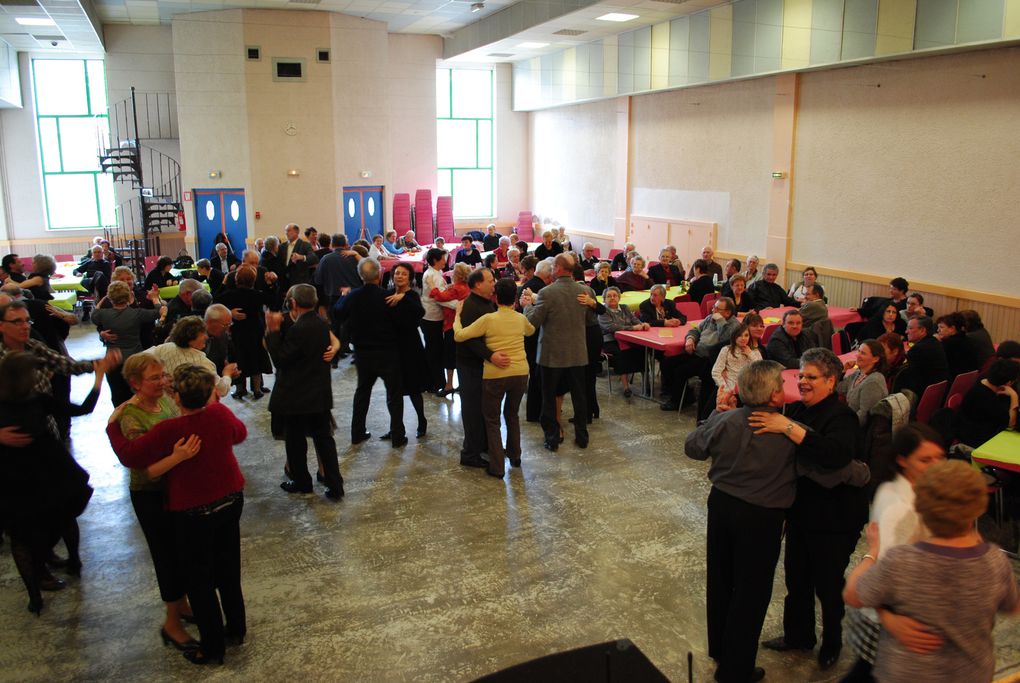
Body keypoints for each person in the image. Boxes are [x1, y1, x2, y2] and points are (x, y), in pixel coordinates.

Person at [107, 365, 247, 666]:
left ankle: (212, 649)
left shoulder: (169, 430)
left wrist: (111, 427)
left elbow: (130, 456)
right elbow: (240, 433)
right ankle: (236, 630)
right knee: (228, 570)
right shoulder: (220, 415)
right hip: (231, 499)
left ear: (176, 397)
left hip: (194, 511)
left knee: (200, 580)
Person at [843, 460, 1020, 683]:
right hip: (971, 674)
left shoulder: (903, 560)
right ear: (980, 506)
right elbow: (1013, 606)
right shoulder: (995, 561)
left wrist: (873, 552)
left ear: (921, 507)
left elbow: (853, 594)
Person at [685, 361, 797, 683]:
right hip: (762, 517)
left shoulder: (726, 421)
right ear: (775, 396)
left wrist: (717, 416)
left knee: (721, 579)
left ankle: (722, 649)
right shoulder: (789, 430)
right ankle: (736, 669)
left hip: (722, 507)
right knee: (751, 592)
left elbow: (693, 447)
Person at [756, 348, 867, 672]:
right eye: (801, 375)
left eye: (811, 377)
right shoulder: (800, 410)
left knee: (828, 584)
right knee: (797, 578)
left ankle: (832, 642)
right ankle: (798, 635)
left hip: (836, 517)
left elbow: (834, 455)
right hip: (803, 512)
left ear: (831, 381)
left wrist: (787, 427)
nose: (802, 381)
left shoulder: (840, 416)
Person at [0, 351, 104, 615]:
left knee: (20, 537)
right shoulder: (37, 400)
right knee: (63, 515)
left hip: (13, 477)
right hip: (49, 472)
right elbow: (83, 409)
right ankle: (72, 561)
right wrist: (99, 379)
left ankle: (35, 596)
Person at [841, 423, 946, 682]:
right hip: (891, 618)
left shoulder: (914, 490)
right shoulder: (899, 508)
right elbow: (885, 572)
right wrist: (889, 617)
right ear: (902, 460)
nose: (935, 465)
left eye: (939, 458)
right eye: (925, 460)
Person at [109, 352, 197, 651]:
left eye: (163, 376)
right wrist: (178, 456)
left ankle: (182, 606)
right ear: (135, 384)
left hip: (174, 487)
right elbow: (143, 466)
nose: (163, 382)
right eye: (155, 378)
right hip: (150, 494)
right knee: (166, 557)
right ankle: (171, 624)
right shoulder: (130, 416)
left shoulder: (164, 401)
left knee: (181, 551)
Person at [266, 284, 345, 498]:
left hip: (295, 395)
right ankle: (335, 485)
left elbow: (281, 360)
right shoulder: (321, 323)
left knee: (295, 441)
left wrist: (272, 332)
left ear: (293, 302)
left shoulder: (299, 328)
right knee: (324, 439)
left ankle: (302, 482)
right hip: (319, 392)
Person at [453, 278, 535, 477]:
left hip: (496, 375)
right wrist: (528, 307)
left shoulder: (489, 318)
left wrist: (457, 316)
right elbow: (531, 331)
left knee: (492, 420)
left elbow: (460, 336)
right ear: (515, 299)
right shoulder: (519, 318)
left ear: (496, 297)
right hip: (520, 373)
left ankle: (497, 467)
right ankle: (515, 456)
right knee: (512, 415)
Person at [523, 253, 592, 451]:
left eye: (554, 267)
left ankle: (552, 437)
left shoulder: (547, 293)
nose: (552, 270)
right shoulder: (584, 291)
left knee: (548, 397)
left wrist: (528, 306)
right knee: (579, 397)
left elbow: (533, 322)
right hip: (577, 352)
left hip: (552, 354)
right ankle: (582, 436)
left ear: (560, 269)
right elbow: (589, 320)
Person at [335, 259, 407, 447]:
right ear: (379, 274)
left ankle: (357, 433)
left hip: (363, 353)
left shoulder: (353, 297)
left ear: (360, 276)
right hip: (388, 352)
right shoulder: (389, 296)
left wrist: (344, 295)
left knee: (362, 393)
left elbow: (338, 314)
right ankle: (398, 436)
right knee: (394, 394)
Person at [456, 268, 511, 465]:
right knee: (472, 410)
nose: (494, 283)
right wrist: (491, 355)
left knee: (484, 408)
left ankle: (487, 445)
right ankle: (470, 453)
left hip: (482, 365)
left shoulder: (486, 302)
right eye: (490, 280)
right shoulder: (471, 306)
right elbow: (470, 340)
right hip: (470, 365)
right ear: (478, 284)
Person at [660, 296, 739, 418]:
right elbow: (695, 330)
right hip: (696, 352)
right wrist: (690, 339)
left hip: (709, 360)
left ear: (728, 312)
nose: (713, 310)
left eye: (717, 309)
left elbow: (724, 344)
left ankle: (677, 400)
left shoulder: (734, 326)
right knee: (667, 363)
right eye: (714, 307)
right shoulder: (709, 318)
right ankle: (686, 395)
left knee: (680, 371)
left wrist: (720, 322)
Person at [91, 281, 166, 406]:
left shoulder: (103, 315)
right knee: (137, 393)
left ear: (110, 297)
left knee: (117, 395)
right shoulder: (137, 313)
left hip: (113, 361)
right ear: (129, 296)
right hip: (134, 360)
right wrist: (155, 299)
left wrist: (103, 299)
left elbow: (94, 314)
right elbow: (158, 311)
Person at [385, 263, 428, 439]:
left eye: (403, 274)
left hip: (410, 348)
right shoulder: (387, 294)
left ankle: (421, 421)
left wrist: (402, 298)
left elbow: (419, 312)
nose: (399, 276)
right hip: (392, 348)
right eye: (397, 273)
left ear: (410, 278)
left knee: (413, 388)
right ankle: (396, 427)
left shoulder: (411, 296)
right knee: (393, 391)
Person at [214, 265, 271, 399]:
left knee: (238, 357)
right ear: (253, 280)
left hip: (238, 330)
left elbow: (215, 299)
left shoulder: (230, 295)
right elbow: (271, 298)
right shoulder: (257, 295)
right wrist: (269, 284)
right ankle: (257, 389)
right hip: (255, 329)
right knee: (255, 357)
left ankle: (240, 389)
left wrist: (223, 283)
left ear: (236, 279)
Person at [152, 316, 238, 398]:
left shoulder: (163, 348)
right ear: (191, 338)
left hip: (163, 405)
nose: (206, 337)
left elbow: (140, 358)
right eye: (202, 334)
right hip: (184, 409)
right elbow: (221, 390)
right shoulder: (202, 363)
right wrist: (227, 374)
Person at [953, 359, 1019, 448]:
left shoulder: (983, 383)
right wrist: (1014, 397)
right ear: (1009, 382)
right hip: (978, 441)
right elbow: (1010, 424)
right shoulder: (985, 397)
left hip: (974, 432)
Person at [430, 262, 472, 396]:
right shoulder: (467, 287)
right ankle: (463, 384)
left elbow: (439, 297)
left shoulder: (456, 288)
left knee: (450, 355)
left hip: (452, 324)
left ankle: (448, 385)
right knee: (461, 355)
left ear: (457, 275)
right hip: (464, 325)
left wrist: (432, 286)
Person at [598, 286, 647, 398]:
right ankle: (626, 387)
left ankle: (646, 384)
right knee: (621, 353)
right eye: (609, 296)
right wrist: (633, 328)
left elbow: (635, 321)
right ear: (604, 299)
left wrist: (642, 324)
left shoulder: (625, 308)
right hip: (609, 340)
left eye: (615, 296)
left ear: (619, 298)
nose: (612, 298)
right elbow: (612, 327)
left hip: (628, 338)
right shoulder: (602, 311)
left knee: (642, 349)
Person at [520, 257, 552, 422]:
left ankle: (534, 412)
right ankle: (536, 413)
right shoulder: (542, 289)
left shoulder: (529, 285)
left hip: (529, 336)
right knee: (538, 377)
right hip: (537, 336)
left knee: (535, 376)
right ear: (548, 276)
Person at [893, 316, 949, 397]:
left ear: (922, 330)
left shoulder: (918, 349)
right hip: (939, 393)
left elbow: (905, 377)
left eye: (910, 328)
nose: (906, 332)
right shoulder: (935, 342)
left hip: (924, 395)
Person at [838, 339, 889, 426]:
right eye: (859, 351)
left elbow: (864, 417)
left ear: (875, 359)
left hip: (858, 430)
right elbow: (838, 388)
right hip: (850, 420)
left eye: (863, 353)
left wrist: (842, 426)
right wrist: (843, 370)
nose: (858, 355)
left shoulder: (873, 382)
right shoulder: (858, 373)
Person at [420, 248, 451, 393]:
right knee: (434, 351)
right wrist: (458, 305)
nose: (445, 261)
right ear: (434, 261)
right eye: (443, 259)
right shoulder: (433, 275)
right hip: (432, 316)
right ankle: (434, 383)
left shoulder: (435, 272)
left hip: (431, 315)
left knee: (433, 350)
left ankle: (433, 381)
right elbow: (440, 298)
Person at [711, 322, 762, 394]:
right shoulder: (726, 350)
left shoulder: (755, 351)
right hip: (730, 389)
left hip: (750, 391)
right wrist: (726, 390)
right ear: (734, 337)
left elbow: (761, 370)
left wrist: (750, 354)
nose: (743, 338)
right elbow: (716, 372)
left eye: (746, 335)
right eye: (739, 335)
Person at [935, 312, 982, 381]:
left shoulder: (948, 344)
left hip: (951, 380)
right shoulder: (968, 340)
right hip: (966, 381)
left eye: (941, 327)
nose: (938, 330)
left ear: (952, 329)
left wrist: (935, 342)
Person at [156, 279, 204, 344]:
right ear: (188, 294)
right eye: (197, 295)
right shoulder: (176, 310)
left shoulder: (184, 304)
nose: (199, 298)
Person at [280, 223, 319, 288]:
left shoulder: (304, 245)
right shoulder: (282, 246)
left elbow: (314, 258)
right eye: (285, 231)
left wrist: (302, 257)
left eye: (289, 230)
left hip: (300, 281)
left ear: (296, 232)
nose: (286, 233)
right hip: (284, 282)